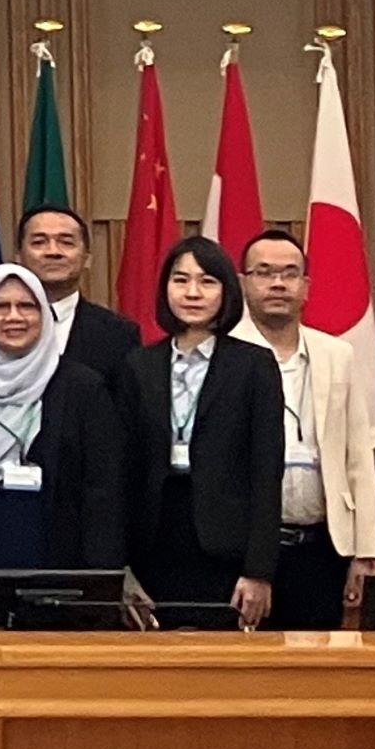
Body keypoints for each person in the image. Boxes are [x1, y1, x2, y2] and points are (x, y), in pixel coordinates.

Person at [0, 265, 124, 625]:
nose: (14, 317)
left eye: (27, 306)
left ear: (44, 314)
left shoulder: (83, 388)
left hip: (63, 575)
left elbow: (103, 493)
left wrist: (99, 588)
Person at [237, 223, 375, 631]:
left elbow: (358, 457)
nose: (278, 284)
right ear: (244, 283)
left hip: (321, 548)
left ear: (306, 286)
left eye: (290, 273)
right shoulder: (225, 356)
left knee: (319, 664)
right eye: (264, 273)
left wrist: (366, 551)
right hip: (244, 551)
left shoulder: (338, 355)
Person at [127, 238, 279, 628]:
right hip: (153, 543)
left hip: (224, 548)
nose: (192, 292)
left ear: (227, 291)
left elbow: (266, 473)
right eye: (181, 280)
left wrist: (258, 570)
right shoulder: (138, 365)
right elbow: (122, 470)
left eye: (207, 281)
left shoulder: (254, 365)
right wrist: (121, 568)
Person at [18, 205, 147, 391]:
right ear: (18, 256)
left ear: (87, 258)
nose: (53, 251)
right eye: (39, 242)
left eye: (66, 242)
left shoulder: (119, 334)